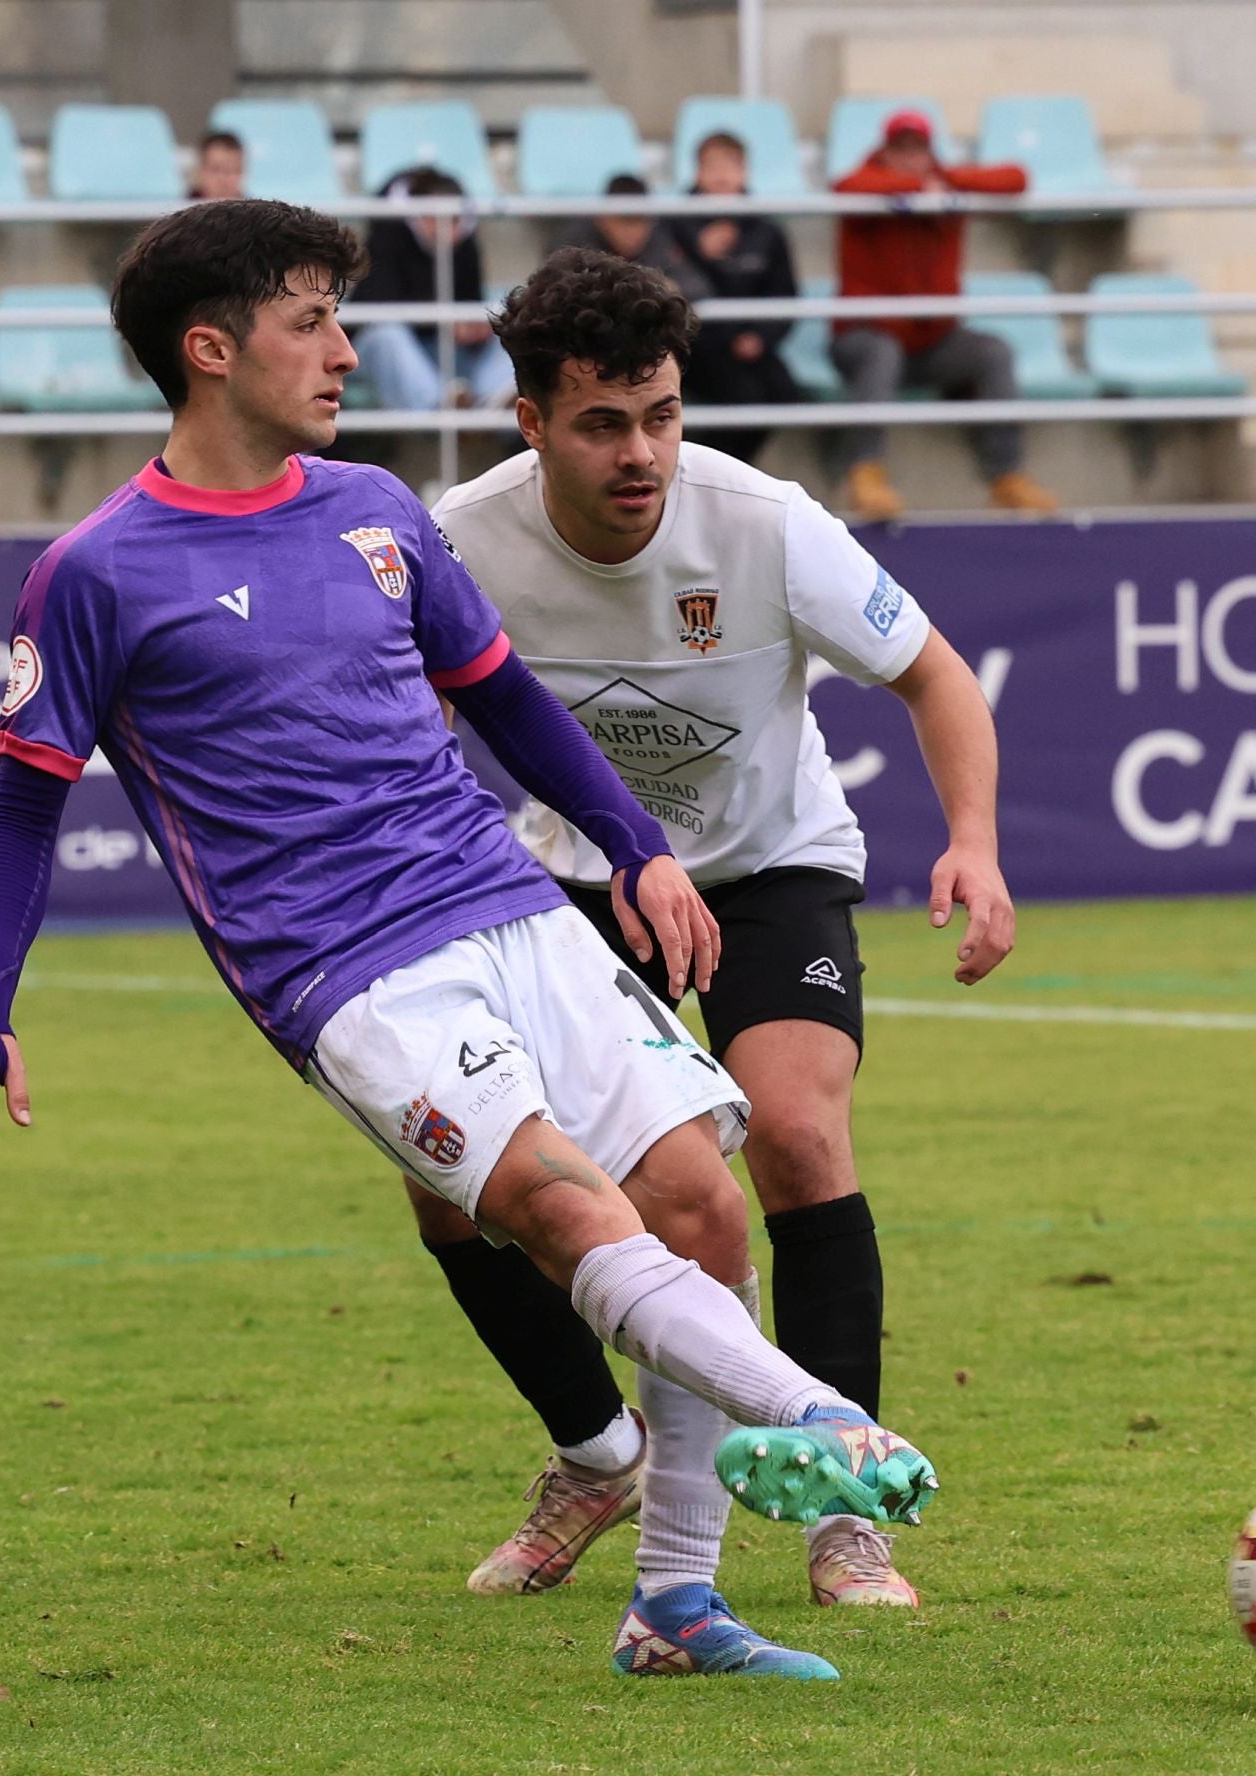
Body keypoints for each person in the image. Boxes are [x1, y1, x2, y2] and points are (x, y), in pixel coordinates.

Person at [0, 198, 940, 1682]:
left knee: (703, 1209)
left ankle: (672, 1603)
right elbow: (23, 812)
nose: (348, 348)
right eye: (313, 321)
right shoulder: (95, 571)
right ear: (211, 351)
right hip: (343, 968)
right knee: (562, 1205)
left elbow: (511, 702)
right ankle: (819, 1418)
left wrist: (642, 850)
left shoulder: (380, 511)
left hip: (511, 898)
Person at [412, 247, 1015, 1610]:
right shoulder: (464, 536)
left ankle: (848, 1515)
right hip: (577, 887)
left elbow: (937, 677)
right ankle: (591, 1455)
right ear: (531, 423)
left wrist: (972, 843)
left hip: (766, 864)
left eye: (664, 414)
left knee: (798, 1134)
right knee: (453, 1182)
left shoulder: (764, 522)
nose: (644, 452)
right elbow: (414, 735)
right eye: (604, 422)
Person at [831, 109, 1060, 522]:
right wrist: (920, 188)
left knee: (993, 352)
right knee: (881, 353)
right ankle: (865, 476)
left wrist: (943, 185)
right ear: (883, 153)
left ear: (929, 152)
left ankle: (1006, 477)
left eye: (917, 149)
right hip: (865, 338)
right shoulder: (867, 187)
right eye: (899, 149)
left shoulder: (944, 183)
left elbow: (1016, 178)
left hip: (928, 343)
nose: (908, 157)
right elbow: (846, 185)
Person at [669, 131, 802, 465]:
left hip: (753, 345)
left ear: (745, 173)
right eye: (712, 166)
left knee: (787, 395)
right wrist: (702, 255)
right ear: (697, 173)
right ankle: (703, 471)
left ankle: (723, 471)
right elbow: (672, 291)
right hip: (697, 346)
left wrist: (759, 337)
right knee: (746, 397)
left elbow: (784, 295)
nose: (722, 176)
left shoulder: (767, 231)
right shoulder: (674, 225)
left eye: (731, 166)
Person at [349, 166, 515, 409]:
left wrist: (475, 328)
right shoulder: (386, 239)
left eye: (453, 219)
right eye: (433, 218)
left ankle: (493, 399)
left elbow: (470, 302)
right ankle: (439, 405)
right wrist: (446, 322)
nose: (445, 229)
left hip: (439, 349)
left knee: (507, 323)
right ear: (415, 216)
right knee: (388, 335)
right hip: (381, 352)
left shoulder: (465, 245)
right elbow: (377, 309)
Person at [562, 175, 708, 300]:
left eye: (640, 221)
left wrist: (670, 287)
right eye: (624, 221)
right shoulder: (577, 244)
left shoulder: (659, 243)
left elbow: (697, 286)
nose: (632, 232)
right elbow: (558, 286)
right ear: (602, 220)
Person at [189, 130, 245, 202]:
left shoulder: (256, 212)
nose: (224, 180)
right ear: (200, 171)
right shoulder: (177, 209)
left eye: (233, 170)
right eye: (216, 169)